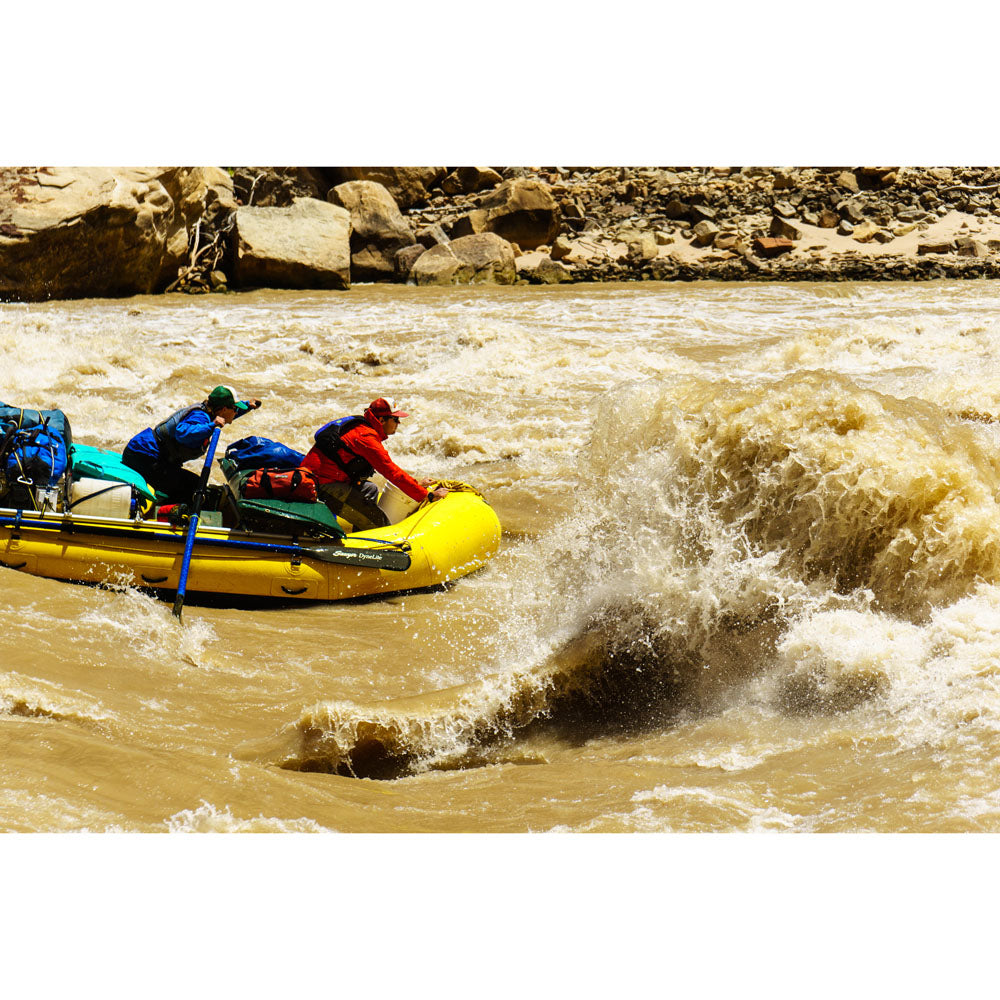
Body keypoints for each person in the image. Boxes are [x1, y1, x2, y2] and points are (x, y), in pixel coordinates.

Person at [302, 396, 448, 531]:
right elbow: (391, 471)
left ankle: (360, 532)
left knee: (370, 489)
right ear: (382, 420)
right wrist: (426, 495)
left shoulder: (363, 428)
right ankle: (363, 549)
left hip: (327, 479)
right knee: (380, 523)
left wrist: (416, 485)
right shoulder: (366, 437)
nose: (399, 423)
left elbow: (390, 470)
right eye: (395, 419)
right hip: (319, 485)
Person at [122, 385, 262, 505]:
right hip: (143, 456)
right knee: (193, 488)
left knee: (195, 484)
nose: (236, 412)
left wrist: (248, 406)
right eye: (235, 408)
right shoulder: (200, 417)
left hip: (153, 456)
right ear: (224, 409)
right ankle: (171, 520)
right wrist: (212, 426)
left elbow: (227, 416)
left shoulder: (213, 412)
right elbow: (182, 432)